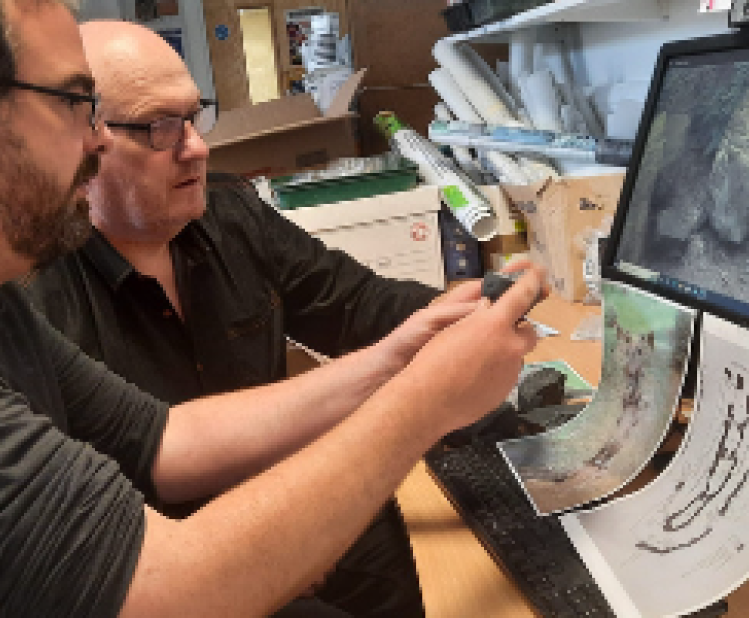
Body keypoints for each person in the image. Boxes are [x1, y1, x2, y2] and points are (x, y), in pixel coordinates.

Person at [0, 1, 544, 616]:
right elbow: (169, 590)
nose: (99, 139)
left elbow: (167, 443)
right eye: (75, 103)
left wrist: (401, 358)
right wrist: (423, 401)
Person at [24, 20, 444, 617]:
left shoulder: (228, 213)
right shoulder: (35, 299)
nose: (195, 146)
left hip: (286, 515)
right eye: (160, 127)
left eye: (194, 118)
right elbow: (98, 515)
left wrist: (468, 313)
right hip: (176, 573)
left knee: (378, 526)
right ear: (84, 141)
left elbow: (356, 304)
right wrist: (260, 555)